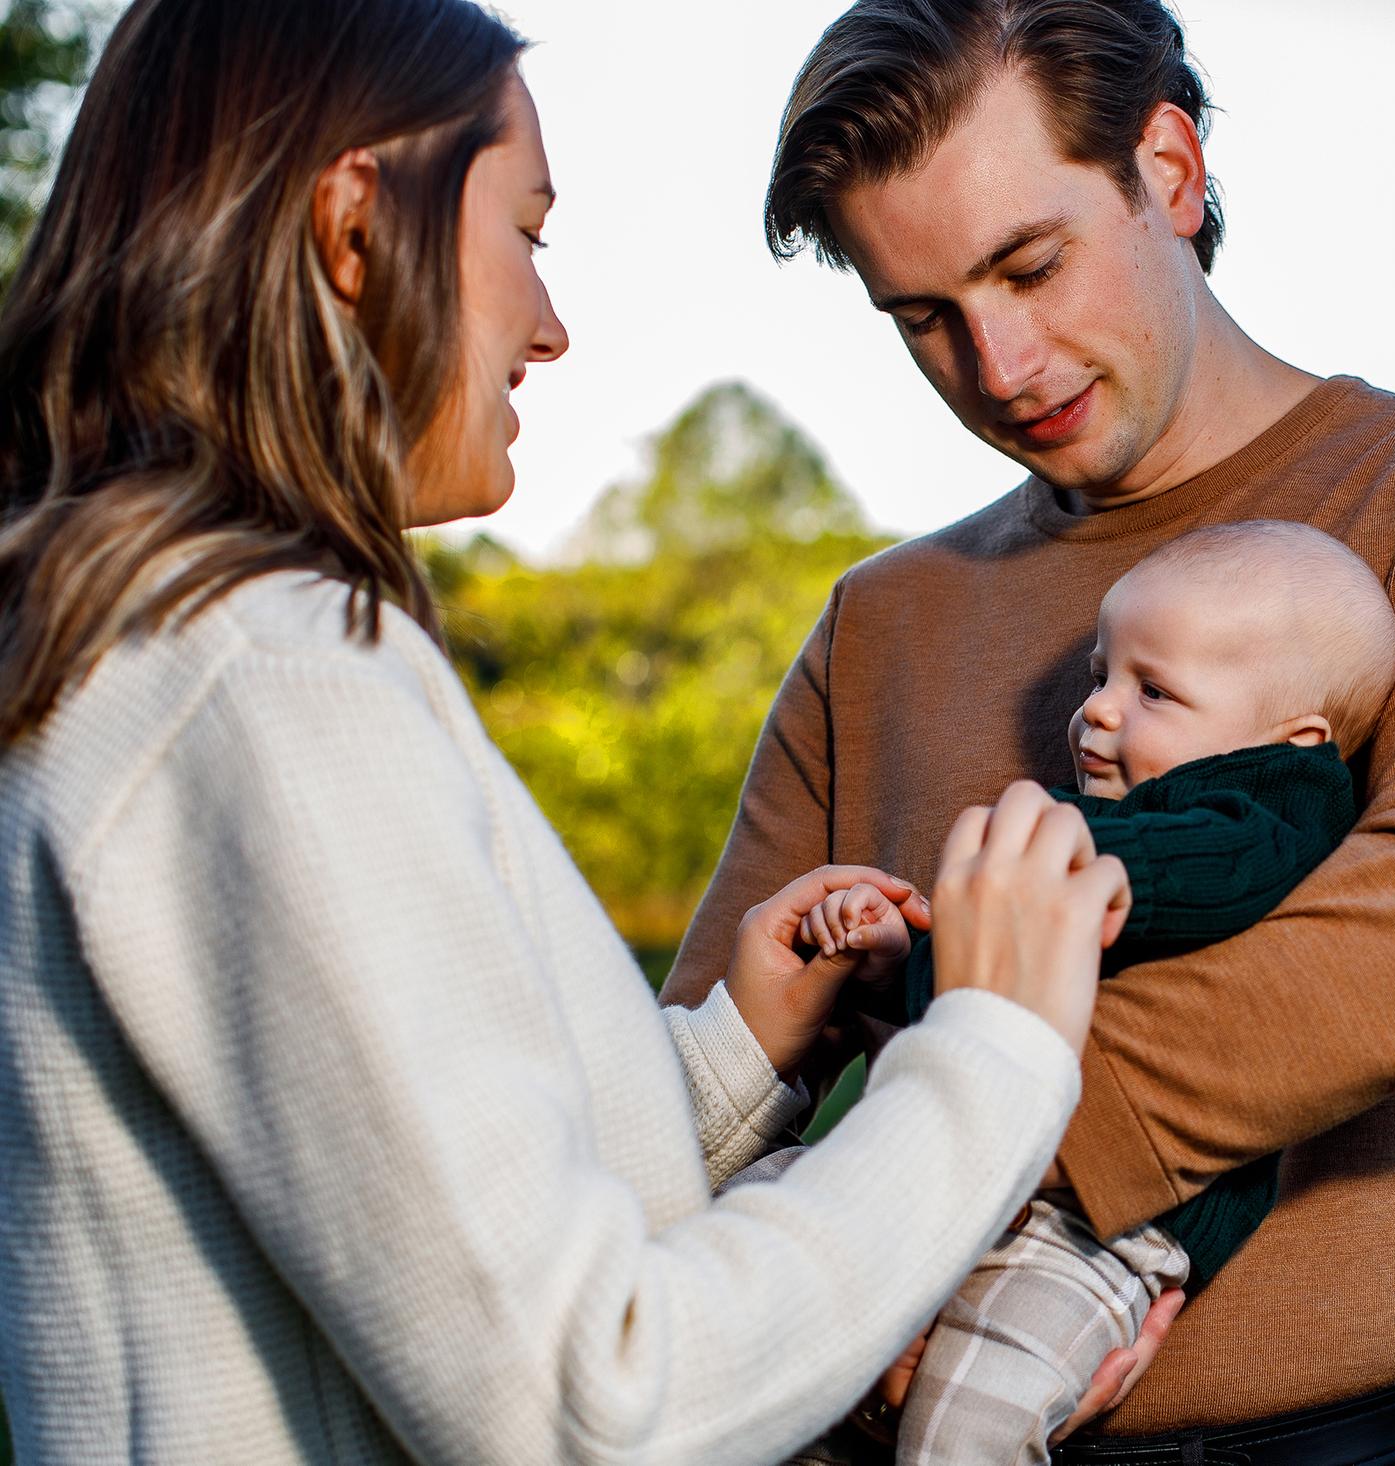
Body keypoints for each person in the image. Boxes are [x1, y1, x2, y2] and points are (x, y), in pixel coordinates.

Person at [0, 2, 1141, 1462]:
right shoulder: (262, 681)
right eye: (527, 233)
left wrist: (730, 1065)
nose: (549, 326)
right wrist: (992, 1050)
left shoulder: (157, 646)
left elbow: (402, 1210)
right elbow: (585, 1401)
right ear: (359, 229)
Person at [664, 1, 1395, 1461]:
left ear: (1170, 169)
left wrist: (928, 1183)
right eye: (921, 314)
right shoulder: (881, 616)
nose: (995, 363)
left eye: (1028, 265)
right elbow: (709, 1059)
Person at [768, 520, 1395, 1465]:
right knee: (767, 1266)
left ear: (1293, 736)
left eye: (1154, 691)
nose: (1097, 711)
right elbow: (979, 1000)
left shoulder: (1278, 802)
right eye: (1103, 674)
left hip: (1103, 1232)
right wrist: (897, 954)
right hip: (943, 1172)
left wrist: (1088, 856)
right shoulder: (1101, 831)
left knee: (968, 1425)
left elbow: (1232, 862)